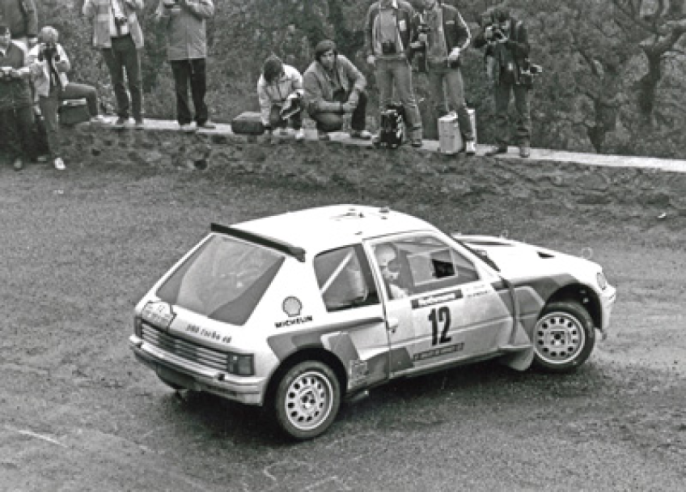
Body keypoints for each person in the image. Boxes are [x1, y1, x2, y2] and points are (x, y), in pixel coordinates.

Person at [28, 27, 105, 171]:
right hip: (46, 92)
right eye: (49, 42)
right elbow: (32, 74)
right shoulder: (32, 53)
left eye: (53, 41)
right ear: (42, 41)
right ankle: (57, 157)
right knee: (52, 126)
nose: (52, 44)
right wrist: (41, 59)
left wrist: (56, 59)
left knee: (91, 91)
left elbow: (67, 67)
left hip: (62, 86)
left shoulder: (58, 48)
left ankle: (95, 115)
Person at [412, 0, 476, 155]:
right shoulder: (418, 17)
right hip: (431, 66)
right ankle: (448, 140)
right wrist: (418, 42)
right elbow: (413, 42)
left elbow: (466, 34)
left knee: (458, 102)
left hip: (449, 64)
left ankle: (469, 140)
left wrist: (457, 49)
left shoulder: (450, 12)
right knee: (439, 104)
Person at [473, 6, 532, 158]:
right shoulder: (491, 28)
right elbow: (475, 43)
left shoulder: (519, 27)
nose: (502, 27)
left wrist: (508, 42)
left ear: (508, 19)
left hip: (518, 71)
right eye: (499, 24)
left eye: (504, 23)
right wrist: (485, 36)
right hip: (501, 71)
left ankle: (524, 143)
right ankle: (501, 143)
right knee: (500, 110)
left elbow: (526, 49)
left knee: (522, 108)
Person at [364, 0, 423, 147]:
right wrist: (369, 53)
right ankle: (385, 131)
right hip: (381, 60)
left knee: (407, 97)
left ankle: (415, 134)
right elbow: (367, 31)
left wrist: (409, 52)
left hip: (400, 60)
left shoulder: (405, 8)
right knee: (384, 98)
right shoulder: (373, 10)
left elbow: (418, 31)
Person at [155, 0, 215, 133]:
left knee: (200, 87)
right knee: (181, 88)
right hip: (177, 51)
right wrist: (167, 10)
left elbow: (210, 12)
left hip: (197, 49)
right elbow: (159, 24)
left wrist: (190, 4)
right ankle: (184, 121)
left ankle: (202, 118)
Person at [83, 0, 145, 129]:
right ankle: (123, 115)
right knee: (117, 80)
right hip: (108, 42)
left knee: (135, 80)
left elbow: (140, 6)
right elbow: (87, 13)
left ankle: (138, 117)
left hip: (129, 39)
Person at [303, 39, 372, 141]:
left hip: (339, 95)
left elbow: (360, 78)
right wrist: (342, 107)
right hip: (319, 106)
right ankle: (322, 129)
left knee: (362, 95)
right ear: (318, 58)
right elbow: (316, 103)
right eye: (324, 56)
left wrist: (355, 92)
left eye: (330, 55)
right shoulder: (311, 74)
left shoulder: (342, 61)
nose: (328, 59)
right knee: (335, 122)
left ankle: (358, 130)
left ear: (335, 55)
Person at [0, 23, 33, 171]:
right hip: (3, 94)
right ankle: (17, 156)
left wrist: (19, 72)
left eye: (7, 34)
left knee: (27, 123)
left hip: (21, 91)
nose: (6, 37)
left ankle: (32, 153)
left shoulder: (20, 47)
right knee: (9, 127)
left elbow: (30, 67)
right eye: (2, 35)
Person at [257, 54, 305, 144]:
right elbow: (264, 103)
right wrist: (266, 124)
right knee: (274, 119)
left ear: (281, 71)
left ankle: (298, 128)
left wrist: (293, 97)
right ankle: (283, 126)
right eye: (272, 78)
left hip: (293, 100)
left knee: (300, 103)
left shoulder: (292, 73)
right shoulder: (262, 83)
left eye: (276, 76)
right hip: (277, 104)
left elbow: (303, 89)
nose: (275, 79)